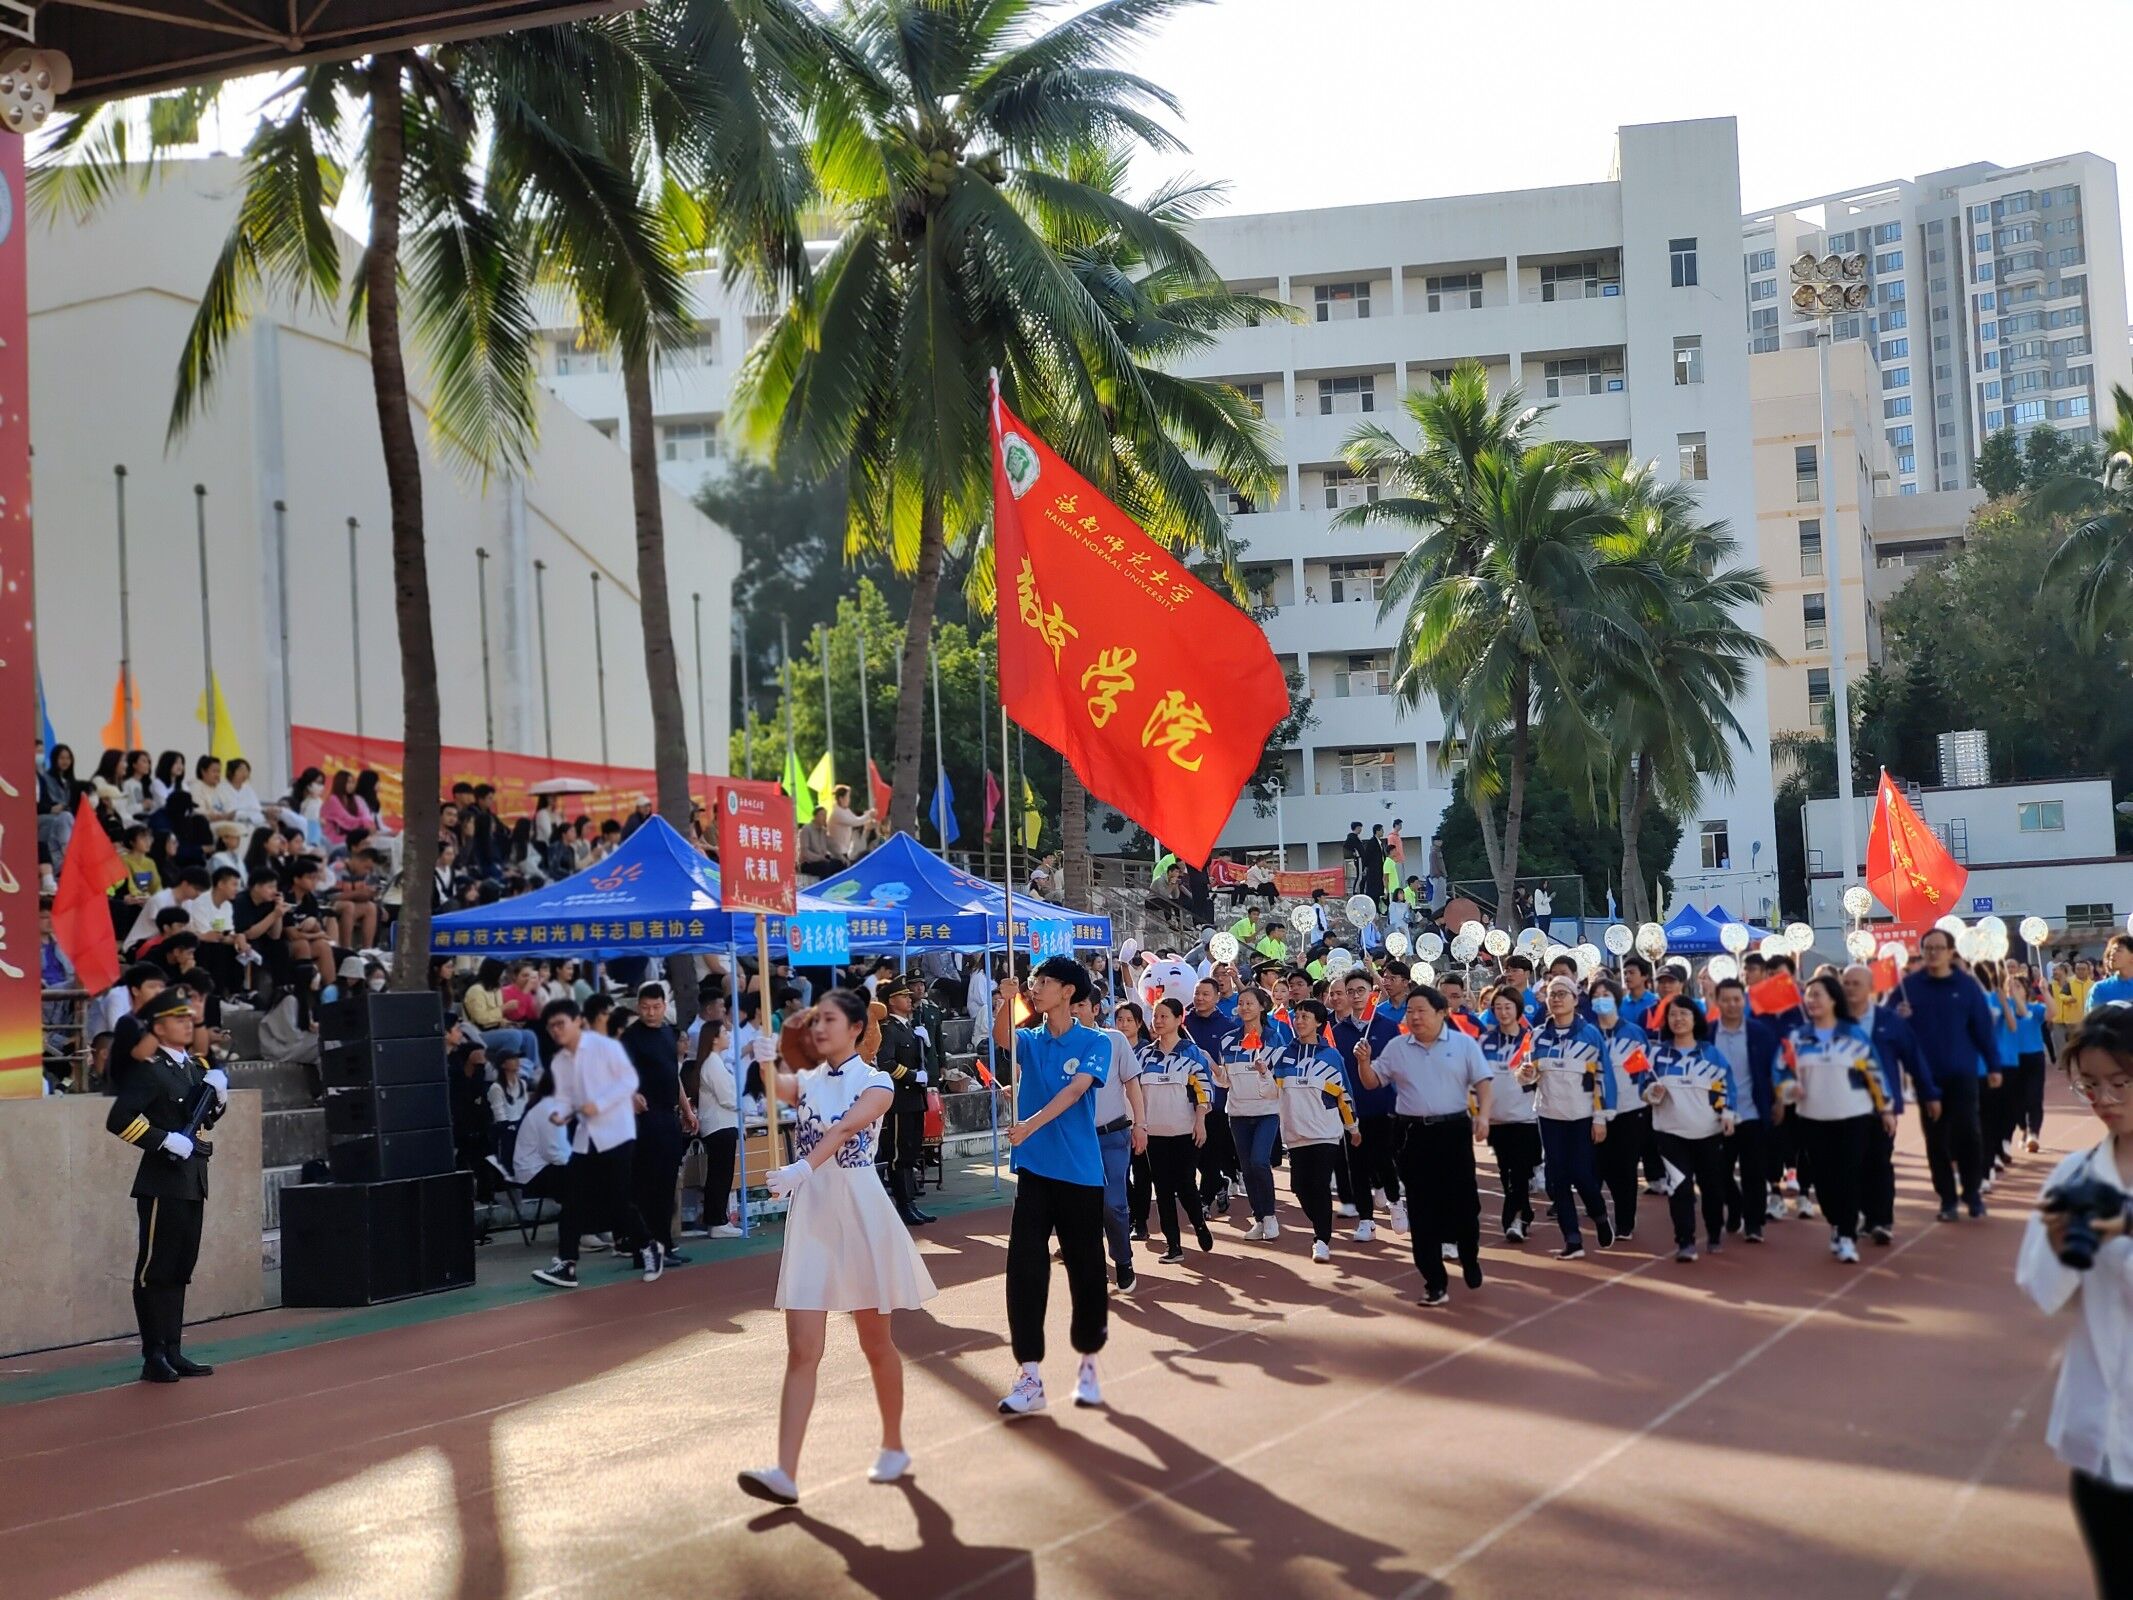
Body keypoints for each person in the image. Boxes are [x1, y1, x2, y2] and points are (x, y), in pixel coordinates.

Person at [736, 990, 937, 1506]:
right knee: (802, 1349)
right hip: (814, 1216)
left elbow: (849, 1126)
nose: (820, 1029)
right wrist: (763, 1058)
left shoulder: (875, 1082)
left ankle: (893, 1444)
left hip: (859, 1211)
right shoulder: (807, 1081)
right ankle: (785, 1472)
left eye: (830, 1020)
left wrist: (802, 1168)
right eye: (816, 1021)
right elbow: (777, 1086)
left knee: (876, 1343)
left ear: (855, 1029)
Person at [2016, 1007, 2133, 1598]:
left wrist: (2120, 1238)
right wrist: (2064, 1251)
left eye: (2120, 1083)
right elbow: (2042, 1290)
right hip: (2104, 1436)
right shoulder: (2075, 1174)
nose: (2103, 1099)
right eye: (2090, 1084)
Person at [992, 956, 1110, 1416]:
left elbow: (1075, 1092)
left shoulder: (1095, 1041)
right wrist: (1007, 1002)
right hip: (1035, 1170)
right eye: (1034, 982)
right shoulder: (1031, 1039)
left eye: (1044, 982)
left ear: (1068, 991)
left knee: (1086, 1269)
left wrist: (1029, 1125)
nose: (1036, 988)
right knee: (1024, 1266)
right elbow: (1004, 1037)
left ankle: (1088, 1362)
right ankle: (1029, 1375)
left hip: (1079, 1172)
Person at [105, 987, 228, 1382]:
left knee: (179, 1268)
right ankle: (153, 1354)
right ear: (158, 1027)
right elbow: (119, 1119)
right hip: (162, 1181)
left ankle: (174, 1350)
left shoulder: (195, 1068)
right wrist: (163, 1140)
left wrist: (219, 1097)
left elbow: (207, 1119)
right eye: (178, 1019)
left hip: (193, 1179)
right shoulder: (150, 1070)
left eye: (189, 1018)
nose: (187, 1024)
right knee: (155, 1269)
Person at [1354, 985, 1492, 1306]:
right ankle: (1434, 1280)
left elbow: (1483, 1082)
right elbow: (1372, 1082)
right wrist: (1364, 1062)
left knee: (1464, 1204)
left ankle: (1469, 1256)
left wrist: (1484, 1117)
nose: (1414, 1017)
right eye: (1410, 1011)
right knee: (1421, 1206)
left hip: (1453, 1131)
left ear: (1441, 1012)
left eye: (1422, 1011)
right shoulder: (1397, 1047)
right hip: (1412, 1134)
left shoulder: (1462, 1044)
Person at [533, 998, 665, 1288]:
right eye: (551, 1026)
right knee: (572, 1198)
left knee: (618, 1200)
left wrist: (600, 1104)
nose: (556, 1030)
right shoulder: (560, 1061)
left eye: (560, 1023)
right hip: (586, 1138)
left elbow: (628, 1081)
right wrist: (561, 1113)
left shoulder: (604, 1047)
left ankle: (648, 1246)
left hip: (617, 1133)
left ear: (577, 1021)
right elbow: (565, 1097)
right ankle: (567, 1263)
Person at [1778, 972, 1894, 1266]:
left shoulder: (1853, 1035)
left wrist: (1885, 1109)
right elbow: (1781, 1071)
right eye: (1809, 996)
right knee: (1824, 1179)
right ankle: (1836, 1222)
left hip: (1853, 1115)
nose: (1812, 1000)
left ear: (1833, 999)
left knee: (1850, 1175)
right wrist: (1790, 1089)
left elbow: (1875, 1073)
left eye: (1818, 994)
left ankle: (1846, 1235)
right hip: (1813, 1118)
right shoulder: (1798, 1038)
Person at [1901, 926, 1998, 1221]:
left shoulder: (1966, 986)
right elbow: (1889, 1022)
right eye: (1927, 948)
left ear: (1951, 952)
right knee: (1936, 1138)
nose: (1932, 953)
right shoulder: (1910, 987)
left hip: (1963, 1073)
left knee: (1968, 1132)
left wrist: (1993, 1064)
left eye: (1938, 948)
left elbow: (1982, 1027)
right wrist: (1898, 1015)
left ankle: (1972, 1192)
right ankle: (1947, 1199)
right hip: (1927, 1076)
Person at [1529, 975, 1616, 1259]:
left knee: (1581, 1173)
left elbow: (1603, 1077)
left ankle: (1599, 1215)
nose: (1556, 998)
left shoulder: (1590, 1035)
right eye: (1552, 994)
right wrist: (1524, 1075)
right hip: (1549, 1115)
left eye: (1562, 993)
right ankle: (1573, 1240)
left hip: (1581, 1116)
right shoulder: (1538, 1035)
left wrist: (1600, 1118)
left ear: (1575, 999)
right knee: (1557, 1179)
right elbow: (1529, 1073)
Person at [1646, 993, 1736, 1263]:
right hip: (1670, 1133)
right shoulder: (1657, 1055)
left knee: (1712, 1188)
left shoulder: (1710, 1053)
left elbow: (1726, 1086)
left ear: (1695, 1018)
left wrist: (1727, 1113)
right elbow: (1643, 1088)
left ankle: (1714, 1233)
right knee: (1680, 1188)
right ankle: (1684, 1241)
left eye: (1684, 1014)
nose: (1678, 1019)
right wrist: (1652, 1092)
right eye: (1673, 1014)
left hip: (1708, 1132)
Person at [1274, 999, 1359, 1264]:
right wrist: (1264, 1074)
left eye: (1306, 1017)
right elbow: (1270, 1092)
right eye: (1297, 1016)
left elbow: (1344, 1094)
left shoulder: (1331, 1056)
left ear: (1319, 1023)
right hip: (1295, 1134)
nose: (1299, 1021)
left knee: (1320, 1185)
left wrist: (1352, 1127)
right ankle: (1322, 1222)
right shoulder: (1284, 1055)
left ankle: (1321, 1240)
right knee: (1300, 1187)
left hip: (1325, 1132)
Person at [619, 983, 694, 1268]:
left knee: (666, 1184)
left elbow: (673, 1075)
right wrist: (630, 1094)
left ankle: (665, 1244)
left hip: (668, 1116)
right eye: (645, 1008)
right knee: (645, 1186)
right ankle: (645, 1249)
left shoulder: (667, 1034)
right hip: (643, 1119)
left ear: (664, 1006)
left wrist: (686, 1109)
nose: (650, 1013)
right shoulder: (631, 1037)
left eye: (656, 1007)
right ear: (638, 1007)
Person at [1136, 998, 1215, 1264]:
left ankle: (1199, 1224)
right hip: (1154, 1133)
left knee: (1185, 1184)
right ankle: (1174, 1246)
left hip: (1185, 1131)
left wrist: (1200, 1121)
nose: (1158, 1021)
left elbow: (1204, 1090)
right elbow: (1134, 1091)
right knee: (1163, 1189)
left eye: (1164, 1016)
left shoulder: (1192, 1053)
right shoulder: (1144, 1055)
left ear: (1179, 1020)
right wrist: (1138, 1125)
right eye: (1155, 1016)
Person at [1081, 993, 1148, 1291]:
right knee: (1080, 1205)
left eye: (1081, 1004)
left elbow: (1132, 1085)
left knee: (1113, 1203)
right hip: (1076, 1140)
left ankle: (1123, 1259)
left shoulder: (1114, 1040)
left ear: (1096, 1008)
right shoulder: (1059, 1044)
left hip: (1112, 1135)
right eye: (1070, 1004)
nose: (1074, 1010)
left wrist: (1140, 1125)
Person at [1213, 984, 1289, 1240]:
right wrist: (1214, 1068)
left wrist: (1264, 1072)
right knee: (1247, 1168)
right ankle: (1259, 1219)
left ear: (1262, 1007)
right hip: (1238, 1114)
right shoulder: (1228, 1040)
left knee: (1259, 1161)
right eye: (1241, 1003)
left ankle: (1270, 1216)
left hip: (1267, 1111)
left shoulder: (1274, 1039)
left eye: (1250, 1003)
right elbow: (1225, 1081)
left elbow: (1279, 1082)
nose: (1244, 1008)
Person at [1708, 976, 1780, 1243]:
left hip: (1752, 1113)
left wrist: (1779, 1101)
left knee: (1754, 1172)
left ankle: (1753, 1223)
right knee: (1718, 1172)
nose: (1731, 1005)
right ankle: (1735, 1204)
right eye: (1726, 1000)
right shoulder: (1707, 1033)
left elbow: (1775, 1069)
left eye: (1736, 999)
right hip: (1716, 1116)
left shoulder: (1760, 1033)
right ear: (1717, 1002)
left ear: (1744, 1001)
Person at [1590, 978, 1652, 1243]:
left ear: (1616, 999)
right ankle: (1602, 1213)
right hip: (1594, 1112)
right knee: (1596, 1168)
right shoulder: (1588, 1032)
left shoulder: (1633, 1033)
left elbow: (1644, 1072)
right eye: (1596, 995)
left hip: (1629, 1109)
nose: (1600, 999)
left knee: (1625, 1169)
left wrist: (1650, 1093)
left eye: (1606, 994)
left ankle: (1625, 1221)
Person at [1479, 985, 1541, 1243]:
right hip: (1497, 1118)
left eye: (1508, 1007)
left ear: (1518, 1009)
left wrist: (1532, 1075)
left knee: (1519, 1172)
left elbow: (1542, 1075)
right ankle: (1525, 1212)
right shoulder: (1485, 1041)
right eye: (1498, 1007)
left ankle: (1512, 1221)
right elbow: (1479, 1079)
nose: (1503, 1012)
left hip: (1526, 1117)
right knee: (1506, 1173)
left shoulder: (1532, 1039)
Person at [873, 975, 935, 1227]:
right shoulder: (888, 1029)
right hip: (899, 1100)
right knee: (899, 1155)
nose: (909, 999)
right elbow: (885, 1063)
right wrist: (911, 1076)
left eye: (909, 996)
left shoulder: (909, 1027)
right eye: (903, 996)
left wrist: (926, 1043)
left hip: (914, 1099)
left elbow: (920, 1059)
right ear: (891, 1001)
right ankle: (903, 1204)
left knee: (910, 1152)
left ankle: (910, 1203)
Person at [2089, 934, 2133, 1011]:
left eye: (2118, 950)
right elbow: (2093, 1017)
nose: (2112, 954)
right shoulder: (2100, 988)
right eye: (2112, 950)